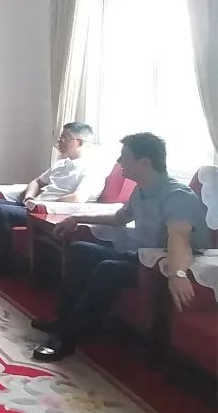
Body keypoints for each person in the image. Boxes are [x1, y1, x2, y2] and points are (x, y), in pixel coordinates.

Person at [31, 132, 209, 362]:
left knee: (108, 269)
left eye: (124, 156)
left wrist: (178, 274)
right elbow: (119, 218)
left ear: (144, 162)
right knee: (80, 250)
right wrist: (77, 218)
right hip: (143, 257)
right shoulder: (141, 189)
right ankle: (63, 320)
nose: (118, 161)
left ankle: (65, 339)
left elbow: (180, 237)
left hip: (168, 265)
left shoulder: (178, 196)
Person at [0, 122, 106, 277]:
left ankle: (1, 265)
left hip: (47, 211)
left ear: (79, 142)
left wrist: (43, 204)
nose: (59, 141)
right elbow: (36, 182)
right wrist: (29, 197)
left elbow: (78, 198)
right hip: (33, 205)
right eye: (60, 137)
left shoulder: (91, 168)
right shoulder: (61, 163)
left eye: (65, 138)